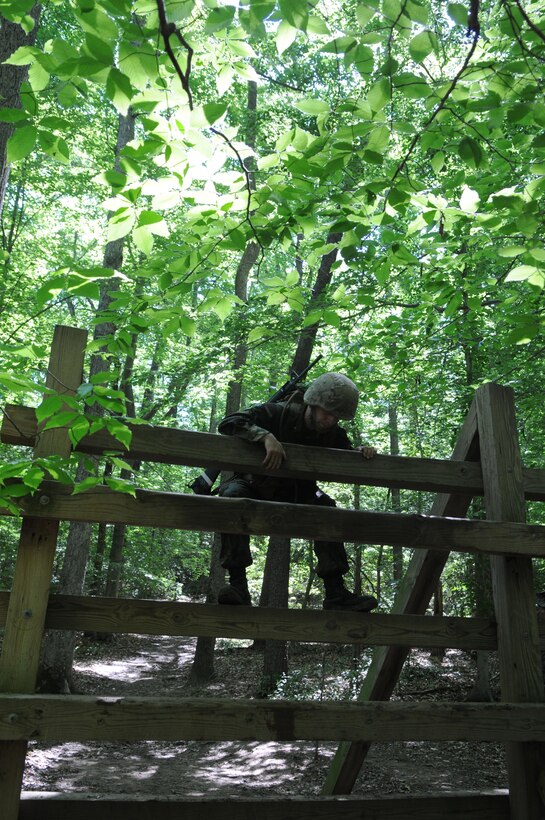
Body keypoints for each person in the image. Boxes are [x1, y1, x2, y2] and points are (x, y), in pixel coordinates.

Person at [216, 372, 378, 612]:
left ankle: (336, 593)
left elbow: (348, 452)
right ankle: (238, 585)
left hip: (298, 492)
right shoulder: (275, 413)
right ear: (312, 403)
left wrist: (362, 451)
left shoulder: (332, 433)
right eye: (326, 412)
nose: (330, 420)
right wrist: (265, 436)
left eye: (336, 416)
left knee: (327, 509)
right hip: (254, 485)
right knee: (231, 498)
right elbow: (229, 422)